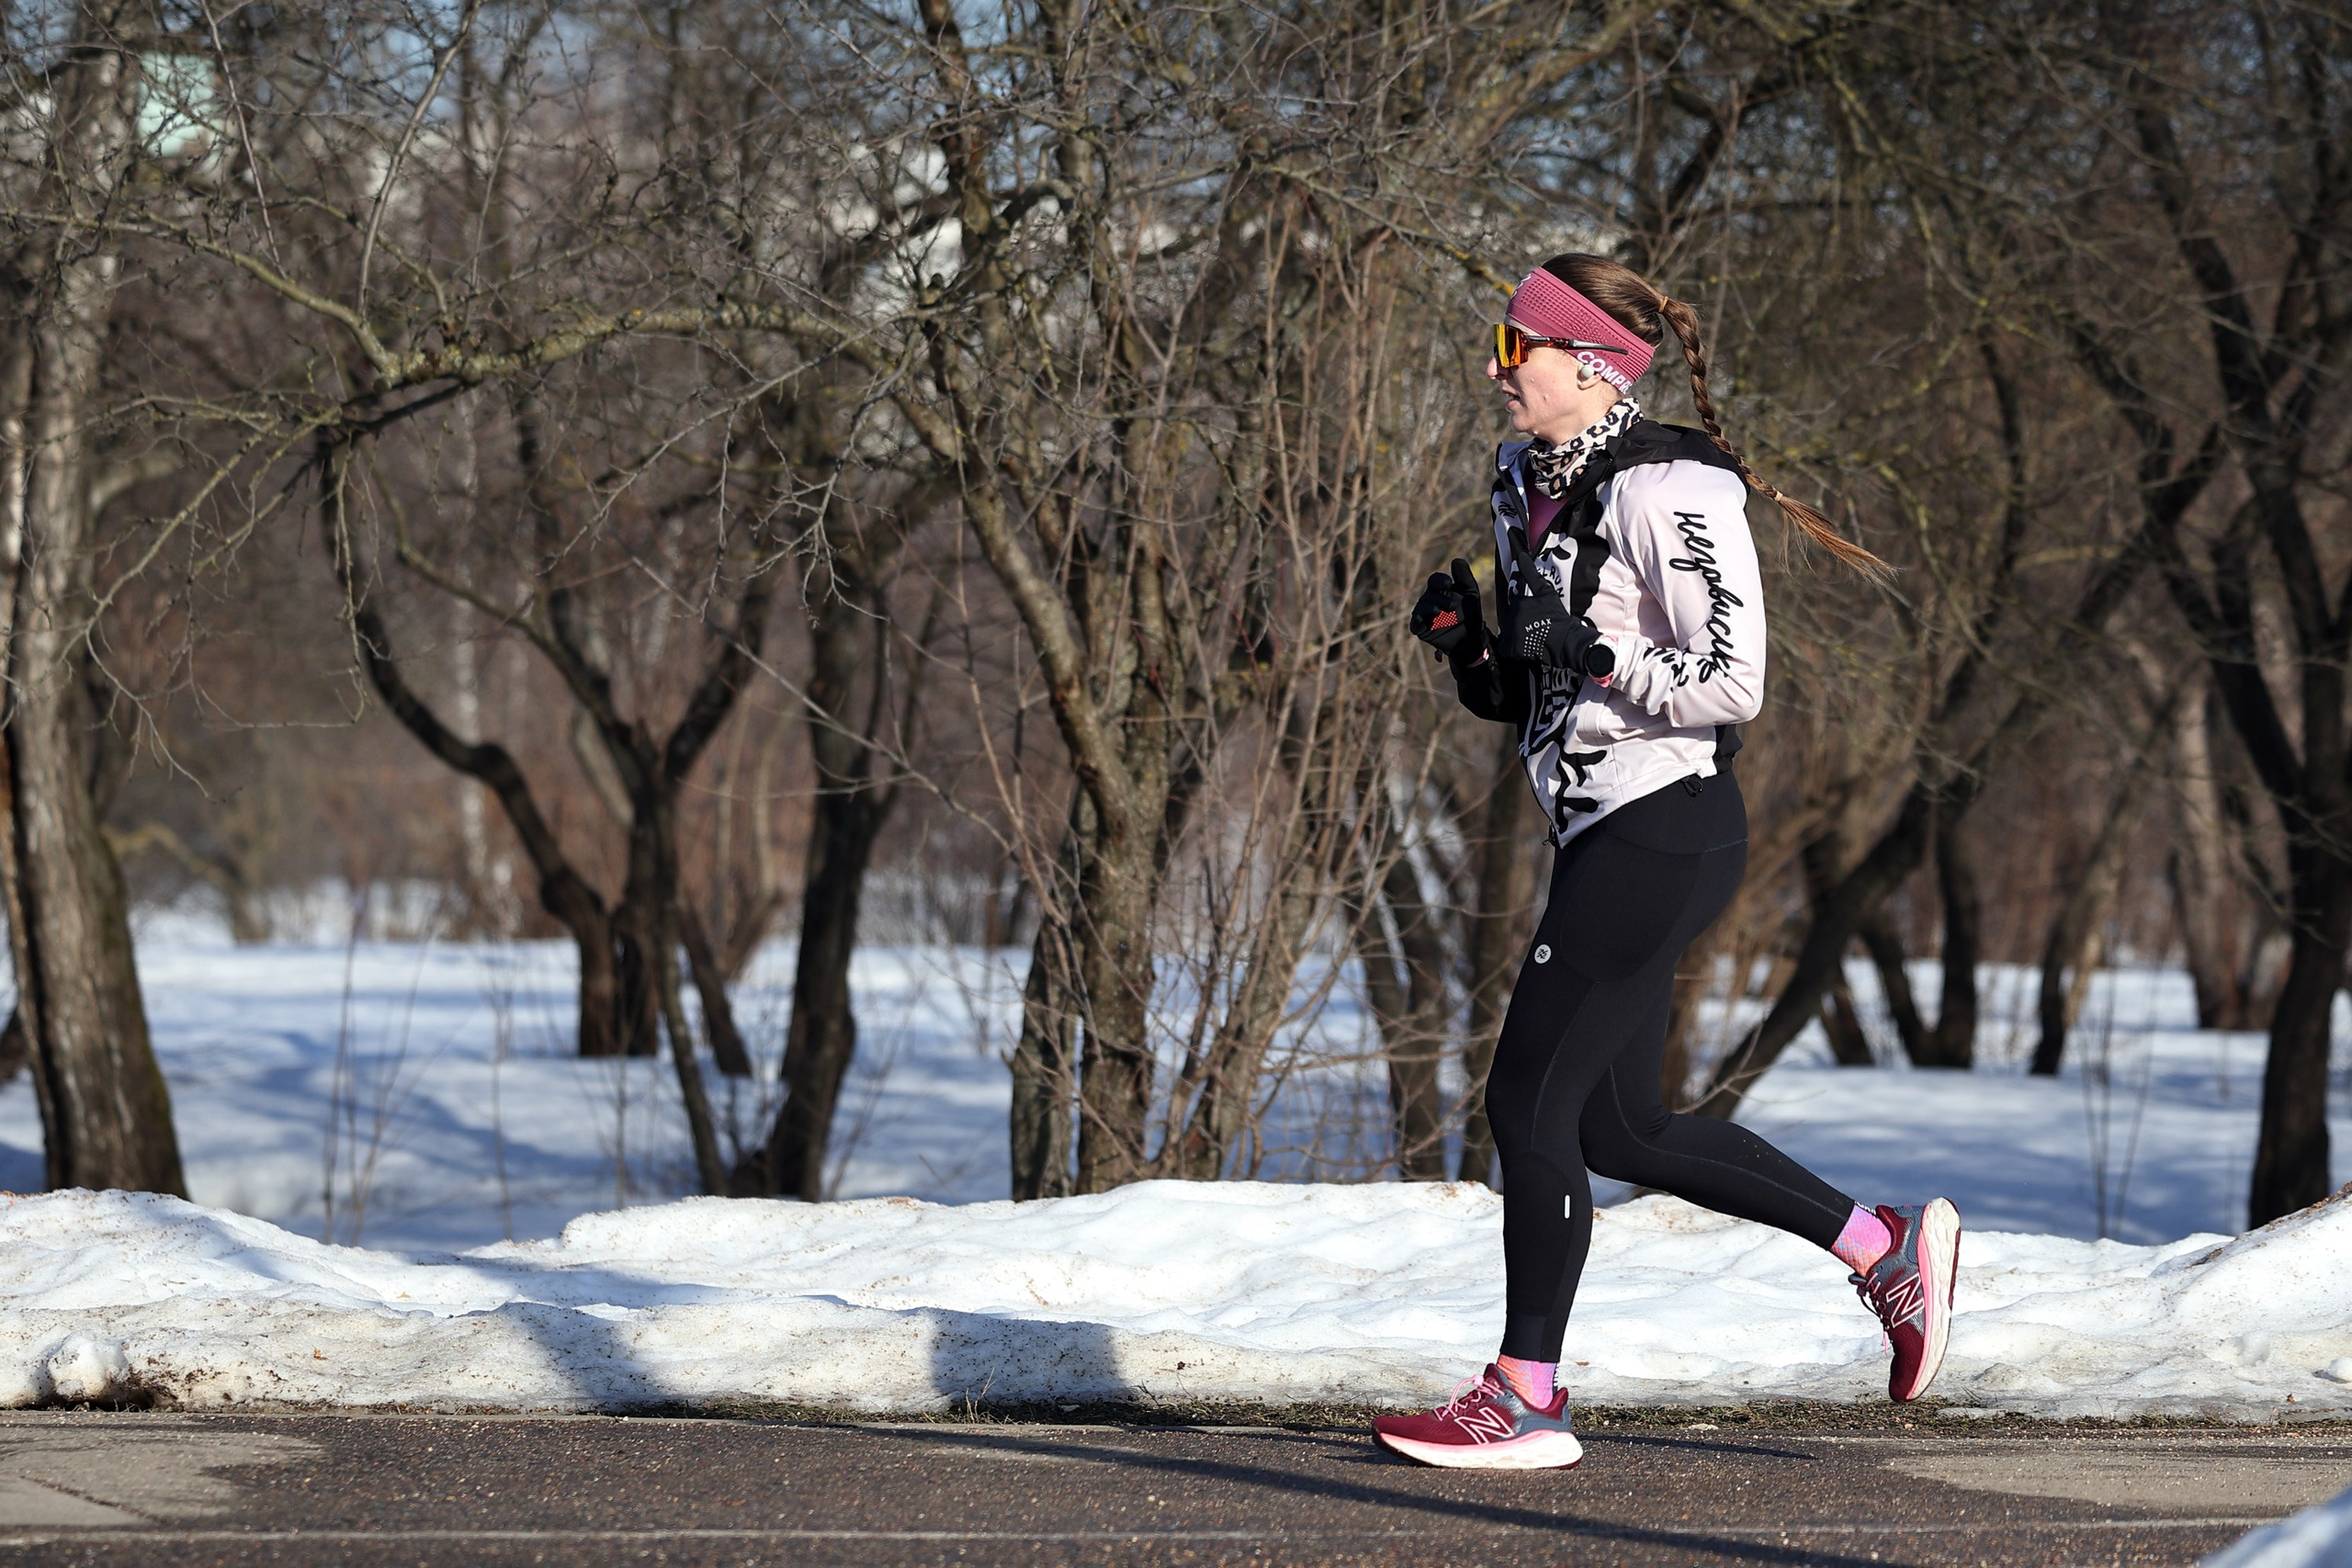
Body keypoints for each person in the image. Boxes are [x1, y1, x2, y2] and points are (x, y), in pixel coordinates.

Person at [1373, 254, 1960, 1472]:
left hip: (1667, 823)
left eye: (1511, 347)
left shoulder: (1673, 490)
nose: (1496, 371)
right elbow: (1536, 695)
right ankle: (1880, 1251)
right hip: (1597, 829)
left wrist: (1584, 650)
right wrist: (1477, 657)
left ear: (1592, 365)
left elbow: (1729, 684)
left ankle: (1525, 1393)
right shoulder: (1520, 477)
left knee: (1526, 1103)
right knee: (1622, 1128)